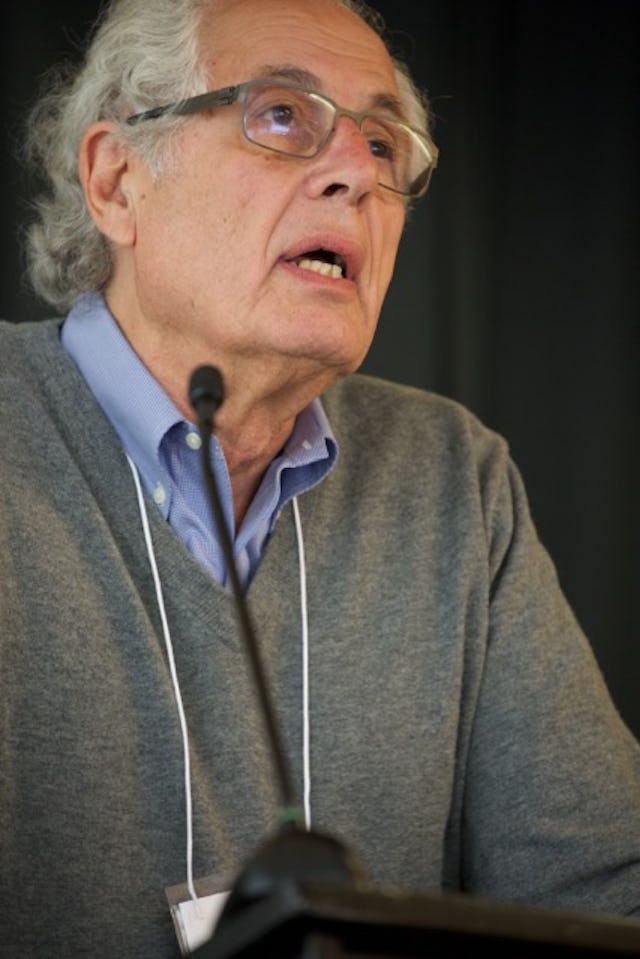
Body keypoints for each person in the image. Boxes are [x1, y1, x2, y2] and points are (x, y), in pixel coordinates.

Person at [1, 0, 639, 955]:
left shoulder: (453, 478)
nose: (355, 174)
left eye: (382, 144)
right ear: (118, 179)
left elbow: (601, 898)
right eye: (282, 116)